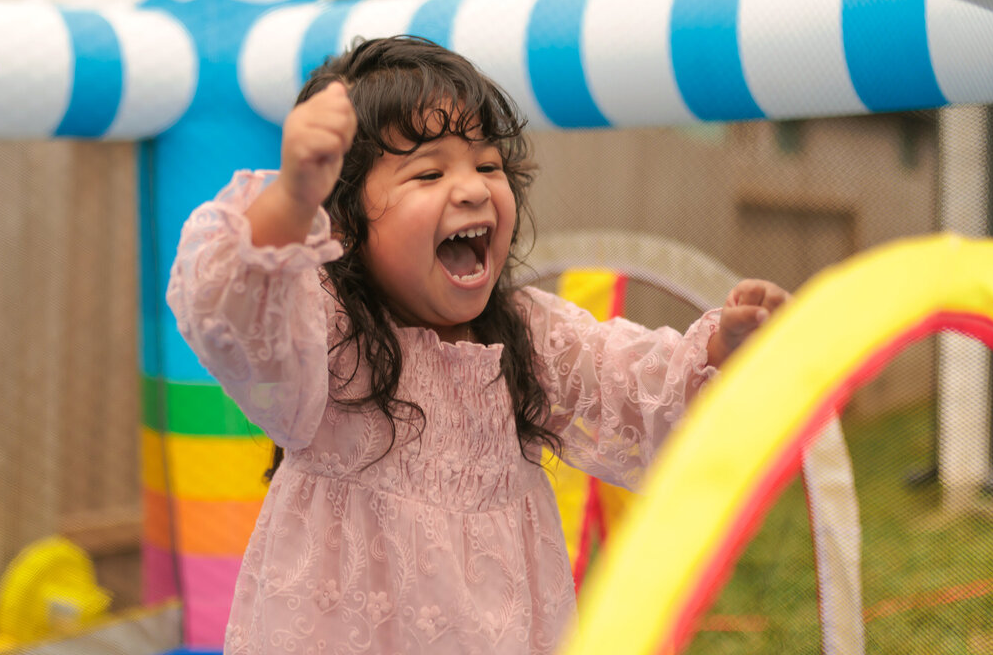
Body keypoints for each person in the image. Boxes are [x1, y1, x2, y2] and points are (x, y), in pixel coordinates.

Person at [167, 36, 788, 654]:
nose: (471, 188)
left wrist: (722, 352)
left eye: (488, 165)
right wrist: (293, 198)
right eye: (430, 172)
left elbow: (639, 395)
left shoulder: (527, 334)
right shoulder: (326, 335)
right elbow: (234, 309)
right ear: (344, 226)